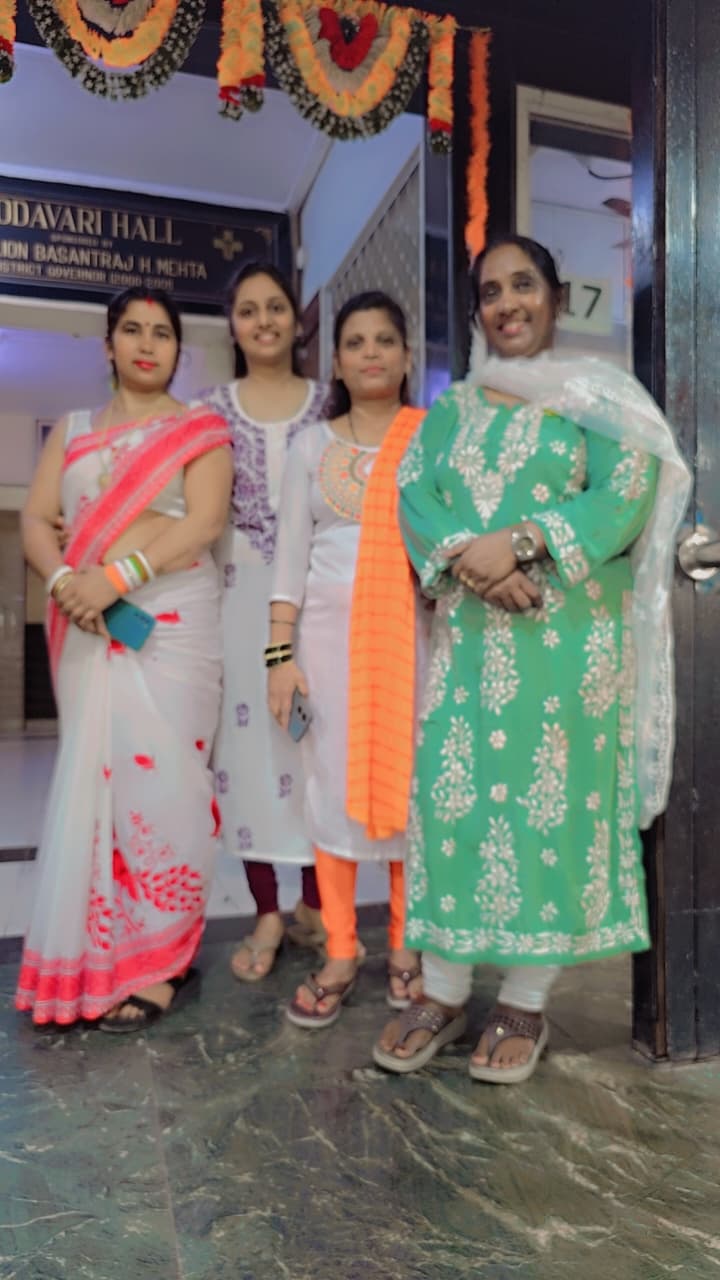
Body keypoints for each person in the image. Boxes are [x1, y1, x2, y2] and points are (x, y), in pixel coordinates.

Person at [374, 235, 691, 1080]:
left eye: (523, 285)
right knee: (456, 804)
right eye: (491, 292)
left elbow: (626, 495)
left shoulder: (599, 399)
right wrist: (472, 562)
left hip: (568, 649)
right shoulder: (451, 411)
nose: (507, 303)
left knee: (546, 811)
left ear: (555, 296)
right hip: (472, 647)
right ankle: (443, 991)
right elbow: (415, 496)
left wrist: (521, 542)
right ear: (477, 311)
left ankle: (525, 1000)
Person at [15, 287, 233, 1031]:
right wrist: (65, 583)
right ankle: (94, 953)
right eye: (132, 331)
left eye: (162, 333)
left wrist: (116, 577)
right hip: (85, 621)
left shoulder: (198, 427)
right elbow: (36, 519)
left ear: (178, 349)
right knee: (95, 784)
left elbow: (204, 521)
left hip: (171, 624)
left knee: (166, 785)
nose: (147, 343)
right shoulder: (72, 430)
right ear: (108, 345)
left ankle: (163, 960)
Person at [268, 291, 427, 1027]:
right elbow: (290, 560)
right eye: (356, 342)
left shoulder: (429, 440)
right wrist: (280, 655)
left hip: (413, 642)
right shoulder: (311, 447)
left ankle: (404, 946)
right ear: (335, 361)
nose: (371, 353)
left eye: (385, 340)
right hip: (326, 649)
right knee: (328, 789)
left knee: (409, 789)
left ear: (406, 356)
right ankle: (340, 947)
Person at [197, 262, 327, 981]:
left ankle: (316, 904)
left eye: (275, 307)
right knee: (247, 755)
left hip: (317, 601)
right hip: (237, 597)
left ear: (296, 320)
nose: (264, 321)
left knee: (312, 743)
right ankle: (267, 911)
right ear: (233, 324)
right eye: (248, 310)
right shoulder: (209, 410)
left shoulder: (328, 403)